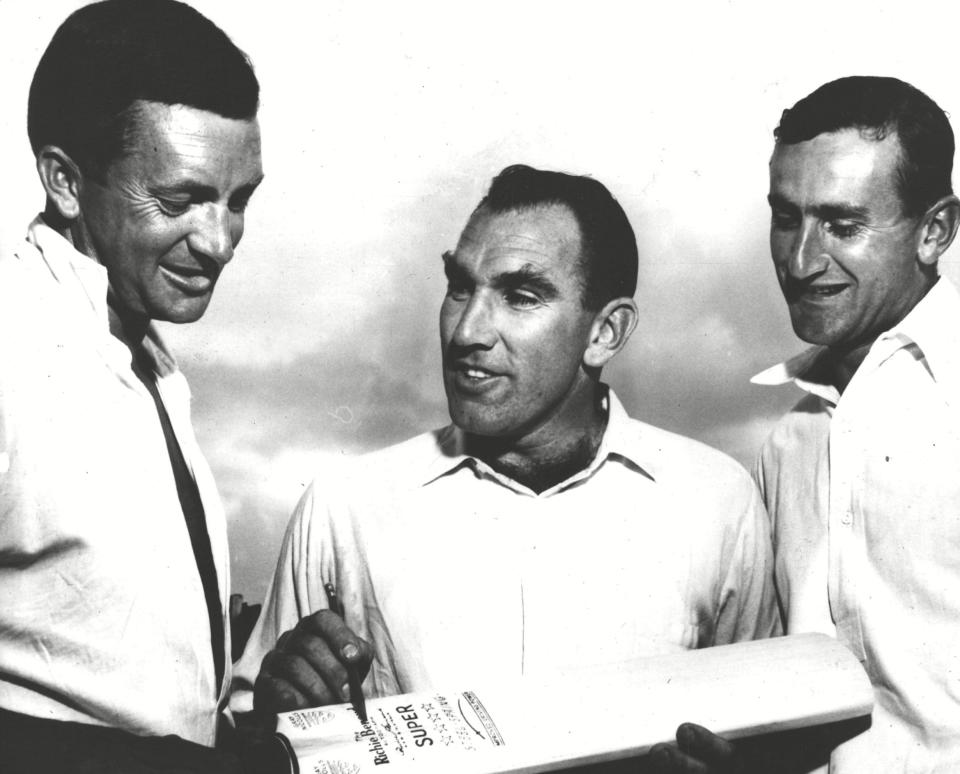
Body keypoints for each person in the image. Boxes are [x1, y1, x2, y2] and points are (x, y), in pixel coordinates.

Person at [231, 164, 779, 721]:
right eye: (460, 287)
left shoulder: (717, 504)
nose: (467, 332)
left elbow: (772, 735)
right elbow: (257, 728)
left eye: (520, 296)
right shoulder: (342, 510)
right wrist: (276, 716)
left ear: (604, 332)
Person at [0, 1, 280, 770]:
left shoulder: (143, 355)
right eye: (181, 199)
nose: (220, 242)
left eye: (240, 198)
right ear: (64, 180)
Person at [653, 76, 960, 773]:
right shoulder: (790, 437)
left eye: (842, 225)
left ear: (935, 230)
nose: (799, 260)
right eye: (786, 218)